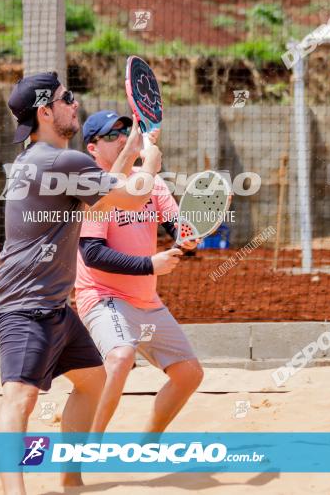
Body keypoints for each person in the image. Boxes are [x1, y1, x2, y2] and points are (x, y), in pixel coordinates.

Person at [0, 72, 162, 494]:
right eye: (67, 99)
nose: (75, 103)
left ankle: (70, 477)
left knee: (93, 382)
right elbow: (134, 195)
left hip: (54, 306)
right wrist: (150, 162)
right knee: (19, 401)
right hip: (24, 307)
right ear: (46, 112)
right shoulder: (57, 160)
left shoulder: (42, 158)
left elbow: (98, 194)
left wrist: (129, 152)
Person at [74, 110, 204, 435]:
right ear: (92, 148)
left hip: (145, 299)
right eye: (111, 135)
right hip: (102, 297)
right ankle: (89, 444)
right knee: (120, 358)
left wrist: (197, 228)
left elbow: (182, 232)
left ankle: (148, 440)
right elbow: (92, 255)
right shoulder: (92, 187)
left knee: (190, 374)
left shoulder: (152, 184)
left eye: (124, 131)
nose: (121, 138)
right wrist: (150, 265)